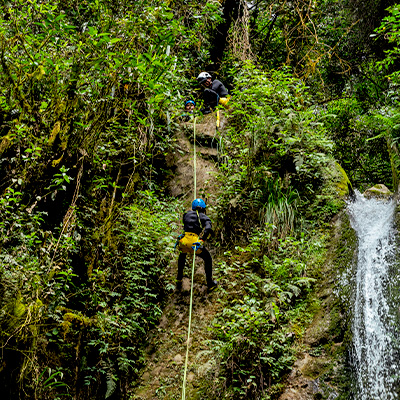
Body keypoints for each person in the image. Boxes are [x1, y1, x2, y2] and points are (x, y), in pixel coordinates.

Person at [175, 198, 218, 291]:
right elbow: (208, 228)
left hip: (184, 241)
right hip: (194, 242)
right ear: (203, 209)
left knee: (182, 255)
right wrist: (202, 240)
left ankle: (179, 279)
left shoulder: (186, 214)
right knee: (208, 258)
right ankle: (210, 283)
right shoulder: (203, 217)